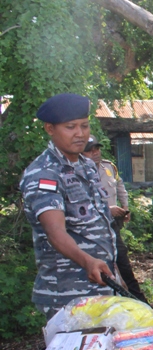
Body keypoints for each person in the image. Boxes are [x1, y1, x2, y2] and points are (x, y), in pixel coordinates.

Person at [20, 93, 117, 319]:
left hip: (100, 287)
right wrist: (88, 261)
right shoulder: (45, 174)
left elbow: (102, 229)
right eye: (70, 127)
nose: (80, 133)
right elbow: (55, 233)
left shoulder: (86, 166)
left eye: (84, 126)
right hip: (67, 295)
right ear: (50, 129)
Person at [84, 137, 148, 302]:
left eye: (97, 149)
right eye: (90, 150)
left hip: (111, 224)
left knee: (123, 263)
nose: (95, 153)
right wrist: (107, 210)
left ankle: (140, 303)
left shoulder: (108, 167)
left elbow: (119, 186)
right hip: (91, 229)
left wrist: (126, 208)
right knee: (105, 268)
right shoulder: (78, 173)